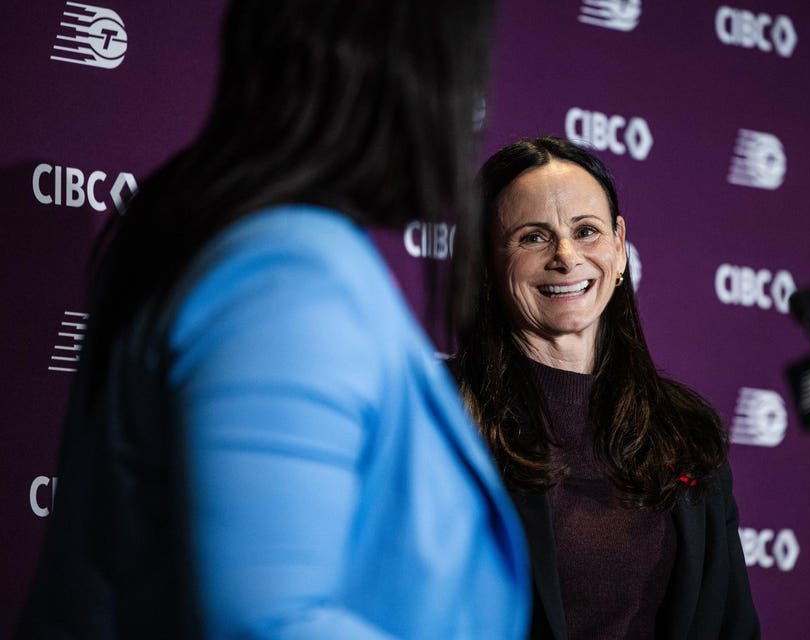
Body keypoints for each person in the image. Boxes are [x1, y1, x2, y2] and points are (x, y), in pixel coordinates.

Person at [17, 2, 530, 638]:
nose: (472, 107)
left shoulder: (229, 235)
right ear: (405, 76)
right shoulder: (287, 273)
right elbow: (271, 623)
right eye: (464, 72)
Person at [450, 136, 759, 640]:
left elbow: (732, 628)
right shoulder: (443, 419)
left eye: (586, 231)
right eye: (533, 237)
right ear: (487, 259)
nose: (567, 258)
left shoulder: (685, 434)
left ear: (619, 246)